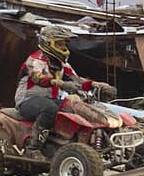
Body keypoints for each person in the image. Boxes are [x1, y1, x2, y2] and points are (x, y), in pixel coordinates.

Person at [14, 24, 112, 155]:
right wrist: (61, 84)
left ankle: (72, 142)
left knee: (77, 106)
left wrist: (97, 84)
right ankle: (33, 148)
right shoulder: (35, 59)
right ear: (48, 43)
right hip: (27, 100)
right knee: (49, 109)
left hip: (50, 100)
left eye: (64, 44)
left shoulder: (62, 64)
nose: (63, 48)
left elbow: (77, 80)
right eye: (59, 44)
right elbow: (39, 78)